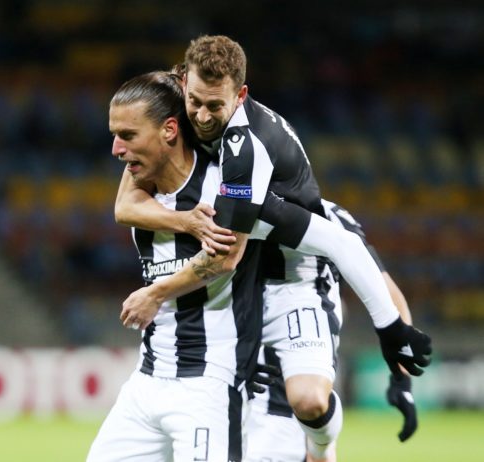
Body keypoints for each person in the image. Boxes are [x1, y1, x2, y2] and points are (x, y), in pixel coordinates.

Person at [115, 35, 431, 462]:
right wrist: (185, 220)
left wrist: (392, 334)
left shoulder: (250, 162)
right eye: (195, 102)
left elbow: (346, 251)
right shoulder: (178, 112)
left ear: (240, 95)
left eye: (215, 106)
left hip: (293, 274)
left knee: (309, 401)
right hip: (243, 284)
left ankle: (321, 446)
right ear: (184, 82)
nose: (202, 116)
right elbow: (124, 205)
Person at [87, 72, 265, 462]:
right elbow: (123, 208)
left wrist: (155, 294)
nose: (116, 149)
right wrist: (186, 221)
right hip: (148, 379)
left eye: (128, 135)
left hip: (209, 382)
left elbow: (224, 256)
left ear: (169, 130)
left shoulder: (225, 181)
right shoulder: (144, 193)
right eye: (115, 135)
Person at [244, 199, 418, 462]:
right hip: (225, 391)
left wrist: (402, 380)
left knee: (307, 410)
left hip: (292, 411)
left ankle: (320, 443)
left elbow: (389, 298)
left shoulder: (331, 217)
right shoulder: (218, 205)